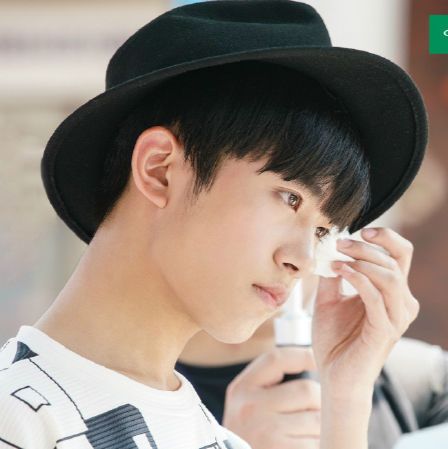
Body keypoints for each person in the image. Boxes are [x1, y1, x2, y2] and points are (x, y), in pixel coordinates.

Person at [0, 1, 427, 448]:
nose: (302, 261)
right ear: (160, 169)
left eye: (322, 231)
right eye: (291, 198)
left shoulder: (217, 437)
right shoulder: (19, 418)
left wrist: (347, 394)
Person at [176, 274, 448, 449]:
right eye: (285, 203)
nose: (298, 254)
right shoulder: (153, 400)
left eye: (321, 228)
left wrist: (345, 418)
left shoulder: (422, 379)